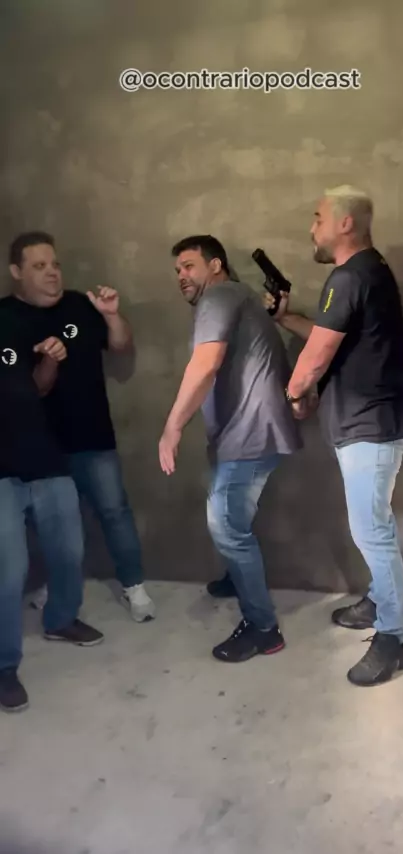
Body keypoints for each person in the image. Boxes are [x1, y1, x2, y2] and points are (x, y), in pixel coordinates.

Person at [274, 185, 403, 686]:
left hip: (369, 428)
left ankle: (394, 638)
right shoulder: (369, 272)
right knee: (375, 525)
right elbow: (332, 336)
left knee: (371, 531)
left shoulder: (349, 276)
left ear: (345, 223)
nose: (312, 229)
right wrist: (286, 318)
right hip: (373, 424)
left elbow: (316, 356)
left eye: (318, 218)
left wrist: (295, 393)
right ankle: (379, 601)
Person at [159, 235, 303, 662]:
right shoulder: (241, 298)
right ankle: (236, 575)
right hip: (249, 431)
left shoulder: (219, 296)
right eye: (177, 270)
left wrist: (172, 426)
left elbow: (206, 364)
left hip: (249, 433)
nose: (181, 276)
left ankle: (263, 629)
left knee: (225, 525)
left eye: (189, 266)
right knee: (233, 515)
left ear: (215, 265)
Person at [2, 232, 155, 623]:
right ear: (16, 272)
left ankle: (134, 586)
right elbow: (28, 387)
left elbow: (120, 345)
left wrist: (111, 315)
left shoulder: (79, 305)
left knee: (113, 511)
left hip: (92, 434)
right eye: (39, 266)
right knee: (54, 527)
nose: (52, 273)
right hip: (38, 447)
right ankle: (60, 588)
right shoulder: (4, 317)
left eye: (55, 264)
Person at [0, 306, 104, 713]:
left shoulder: (9, 325)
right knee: (9, 571)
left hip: (44, 459)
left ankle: (60, 620)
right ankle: (4, 666)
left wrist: (50, 359)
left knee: (69, 551)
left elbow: (38, 388)